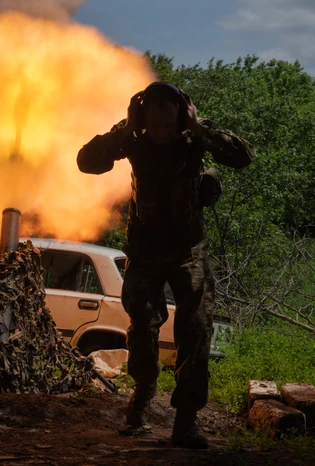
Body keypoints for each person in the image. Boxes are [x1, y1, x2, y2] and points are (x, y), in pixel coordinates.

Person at [76, 81, 254, 449]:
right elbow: (86, 161)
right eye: (153, 125)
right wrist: (124, 130)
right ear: (143, 117)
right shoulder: (134, 137)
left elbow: (242, 157)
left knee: (196, 329)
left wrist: (200, 129)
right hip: (145, 250)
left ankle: (186, 420)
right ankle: (139, 406)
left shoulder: (194, 136)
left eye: (167, 126)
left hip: (188, 249)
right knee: (143, 325)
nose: (160, 134)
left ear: (181, 117)